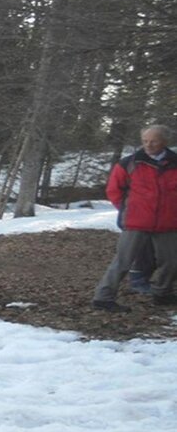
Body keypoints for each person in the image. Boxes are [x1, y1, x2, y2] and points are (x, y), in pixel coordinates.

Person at [92, 124, 177, 312]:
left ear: (164, 141)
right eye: (145, 141)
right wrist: (127, 210)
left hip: (169, 224)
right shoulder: (128, 163)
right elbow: (114, 190)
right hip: (135, 222)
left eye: (154, 141)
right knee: (123, 261)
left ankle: (162, 293)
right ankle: (103, 297)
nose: (149, 145)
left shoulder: (175, 163)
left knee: (171, 261)